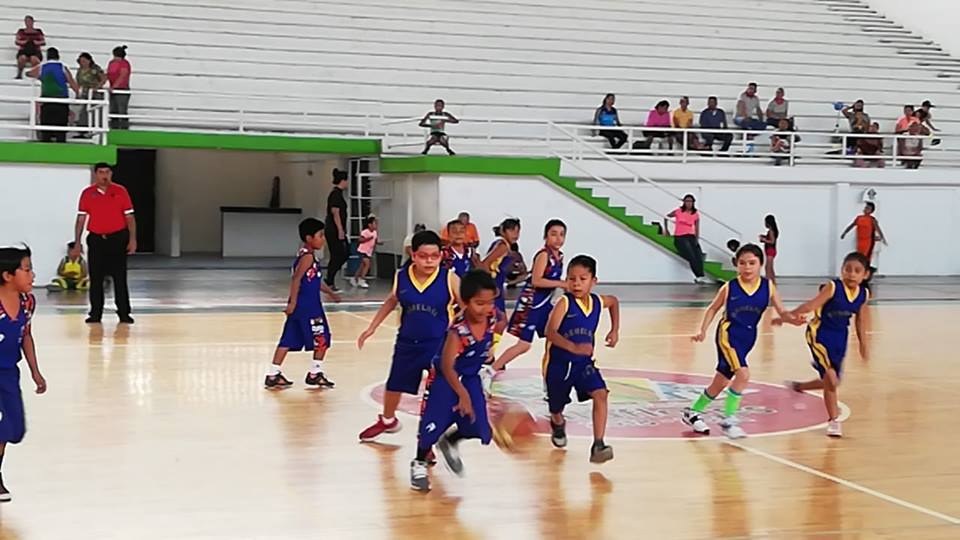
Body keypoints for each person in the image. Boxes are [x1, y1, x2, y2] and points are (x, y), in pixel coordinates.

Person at [681, 244, 798, 439]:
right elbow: (712, 309)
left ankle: (692, 412)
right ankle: (729, 420)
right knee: (743, 374)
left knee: (721, 381)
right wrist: (702, 330)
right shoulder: (730, 287)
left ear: (761, 264)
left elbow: (782, 312)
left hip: (748, 338)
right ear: (737, 265)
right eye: (742, 263)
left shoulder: (768, 286)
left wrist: (794, 319)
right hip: (728, 336)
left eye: (752, 263)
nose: (747, 267)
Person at [357, 230, 460, 442]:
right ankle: (387, 421)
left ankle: (428, 438)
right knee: (395, 383)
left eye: (434, 256)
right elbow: (391, 301)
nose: (429, 260)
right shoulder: (401, 276)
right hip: (407, 341)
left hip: (438, 344)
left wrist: (457, 329)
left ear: (441, 255)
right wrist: (372, 327)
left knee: (434, 392)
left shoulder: (449, 278)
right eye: (423, 256)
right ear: (413, 255)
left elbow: (468, 305)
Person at [411, 269, 505, 491]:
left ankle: (451, 441)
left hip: (470, 377)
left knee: (481, 428)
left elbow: (501, 322)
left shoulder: (491, 316)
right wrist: (462, 394)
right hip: (446, 378)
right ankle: (419, 462)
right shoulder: (458, 330)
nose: (485, 308)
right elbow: (446, 365)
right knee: (431, 425)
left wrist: (491, 348)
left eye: (490, 302)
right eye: (479, 303)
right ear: (465, 302)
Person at [783, 252, 870, 438]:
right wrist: (788, 316)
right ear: (841, 271)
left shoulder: (863, 294)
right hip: (819, 334)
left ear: (865, 275)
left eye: (857, 271)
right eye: (847, 269)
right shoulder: (832, 287)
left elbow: (861, 321)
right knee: (831, 379)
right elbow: (810, 305)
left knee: (834, 382)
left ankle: (800, 387)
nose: (851, 274)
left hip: (840, 337)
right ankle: (833, 421)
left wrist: (863, 344)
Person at [544, 255, 619, 462]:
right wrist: (573, 347)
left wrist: (615, 330)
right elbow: (550, 332)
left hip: (583, 363)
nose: (576, 283)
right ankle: (557, 423)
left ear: (594, 281)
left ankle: (598, 444)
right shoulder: (564, 302)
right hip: (559, 364)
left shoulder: (596, 301)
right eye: (571, 278)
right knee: (557, 407)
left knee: (601, 393)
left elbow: (613, 301)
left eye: (582, 279)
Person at [265, 218, 341, 389]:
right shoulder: (307, 257)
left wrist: (330, 293)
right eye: (320, 235)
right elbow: (296, 280)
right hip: (309, 307)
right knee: (322, 338)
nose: (323, 239)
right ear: (309, 238)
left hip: (302, 306)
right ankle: (315, 373)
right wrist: (292, 302)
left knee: (288, 339)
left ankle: (273, 374)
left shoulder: (305, 255)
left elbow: (313, 281)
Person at [0, 246, 47, 502]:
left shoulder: (28, 302)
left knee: (13, 429)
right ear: (8, 275)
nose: (32, 275)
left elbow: (25, 335)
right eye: (26, 270)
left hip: (8, 373)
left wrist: (35, 372)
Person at [492, 219, 566, 372]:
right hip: (531, 303)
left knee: (557, 335)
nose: (558, 238)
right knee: (524, 345)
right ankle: (490, 370)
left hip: (544, 304)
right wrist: (562, 284)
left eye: (562, 235)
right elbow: (536, 280)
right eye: (554, 234)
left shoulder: (559, 256)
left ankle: (551, 376)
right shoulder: (543, 255)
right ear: (545, 236)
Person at [74, 162, 136, 324]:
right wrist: (77, 242)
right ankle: (95, 313)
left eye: (107, 172)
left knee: (119, 277)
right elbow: (81, 219)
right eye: (101, 172)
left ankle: (124, 312)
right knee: (96, 278)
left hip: (117, 238)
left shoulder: (120, 191)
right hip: (96, 239)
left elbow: (130, 217)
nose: (104, 175)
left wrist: (132, 239)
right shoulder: (88, 193)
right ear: (96, 174)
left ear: (111, 174)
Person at [27, 48, 79, 143]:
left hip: (47, 101)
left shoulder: (42, 67)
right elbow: (71, 82)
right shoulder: (63, 67)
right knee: (61, 128)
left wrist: (41, 77)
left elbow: (29, 73)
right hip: (61, 100)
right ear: (58, 56)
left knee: (46, 128)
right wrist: (77, 93)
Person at [480, 219, 521, 321]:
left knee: (498, 320)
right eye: (512, 231)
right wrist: (491, 285)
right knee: (500, 319)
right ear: (503, 231)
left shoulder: (502, 244)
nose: (515, 234)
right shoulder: (502, 246)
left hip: (498, 282)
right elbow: (485, 263)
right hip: (494, 283)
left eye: (517, 231)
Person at [665, 194, 706, 283]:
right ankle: (698, 275)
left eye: (690, 201)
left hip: (690, 236)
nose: (688, 203)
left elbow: (697, 227)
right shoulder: (678, 211)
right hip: (680, 236)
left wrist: (697, 239)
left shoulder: (695, 214)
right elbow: (666, 216)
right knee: (691, 255)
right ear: (684, 202)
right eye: (687, 201)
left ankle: (701, 276)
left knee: (698, 255)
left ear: (693, 203)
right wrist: (666, 229)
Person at [323, 168, 349, 292]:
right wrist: (340, 229)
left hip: (337, 229)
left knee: (343, 254)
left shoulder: (338, 194)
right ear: (343, 181)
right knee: (338, 254)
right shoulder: (335, 194)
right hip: (333, 230)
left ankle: (330, 279)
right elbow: (335, 213)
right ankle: (329, 280)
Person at [840, 202, 886, 266]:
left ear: (871, 211)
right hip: (859, 241)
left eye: (868, 208)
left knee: (864, 257)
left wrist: (882, 238)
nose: (866, 209)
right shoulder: (859, 218)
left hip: (868, 241)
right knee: (859, 256)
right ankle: (861, 269)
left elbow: (878, 229)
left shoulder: (872, 220)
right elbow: (851, 225)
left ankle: (865, 270)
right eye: (866, 208)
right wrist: (844, 233)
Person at [74, 52, 106, 138]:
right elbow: (78, 82)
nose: (82, 63)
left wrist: (97, 87)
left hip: (95, 95)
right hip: (85, 94)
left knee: (95, 112)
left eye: (84, 61)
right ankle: (83, 131)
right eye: (81, 61)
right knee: (84, 112)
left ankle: (95, 131)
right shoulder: (80, 70)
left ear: (89, 60)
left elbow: (103, 79)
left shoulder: (95, 69)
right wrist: (77, 92)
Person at [107, 46, 131, 129]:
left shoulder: (124, 63)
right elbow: (108, 75)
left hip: (122, 89)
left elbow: (123, 75)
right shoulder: (112, 63)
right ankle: (114, 127)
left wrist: (114, 86)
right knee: (113, 109)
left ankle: (123, 128)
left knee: (121, 110)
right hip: (113, 89)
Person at [351, 215, 378, 289]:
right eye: (374, 223)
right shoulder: (365, 232)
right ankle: (362, 279)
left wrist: (377, 244)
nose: (376, 225)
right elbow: (360, 240)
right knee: (367, 264)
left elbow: (375, 241)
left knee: (362, 266)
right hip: (363, 250)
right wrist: (368, 239)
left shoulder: (375, 232)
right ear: (369, 225)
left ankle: (355, 278)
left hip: (369, 251)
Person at [14, 15, 44, 80]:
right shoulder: (21, 31)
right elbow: (17, 41)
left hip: (35, 50)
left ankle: (36, 75)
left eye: (29, 21)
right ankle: (19, 74)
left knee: (34, 59)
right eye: (26, 21)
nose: (28, 23)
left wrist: (36, 42)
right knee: (22, 58)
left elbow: (43, 42)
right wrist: (24, 42)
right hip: (24, 50)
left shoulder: (38, 31)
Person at [758, 215, 779, 284]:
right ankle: (773, 282)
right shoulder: (773, 230)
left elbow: (772, 241)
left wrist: (764, 240)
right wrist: (764, 236)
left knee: (768, 268)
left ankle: (768, 282)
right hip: (771, 250)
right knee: (770, 268)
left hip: (770, 250)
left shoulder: (771, 231)